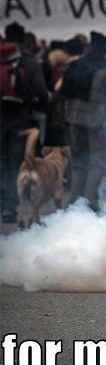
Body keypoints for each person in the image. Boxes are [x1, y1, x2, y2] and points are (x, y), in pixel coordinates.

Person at [62, 31, 106, 212]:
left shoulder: (76, 66)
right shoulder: (105, 71)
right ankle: (91, 200)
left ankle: (74, 202)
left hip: (74, 120)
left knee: (78, 162)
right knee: (98, 162)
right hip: (95, 123)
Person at [0, 22, 49, 223]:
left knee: (2, 161)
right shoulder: (29, 62)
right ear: (23, 38)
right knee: (14, 164)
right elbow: (42, 92)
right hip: (20, 118)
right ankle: (9, 206)